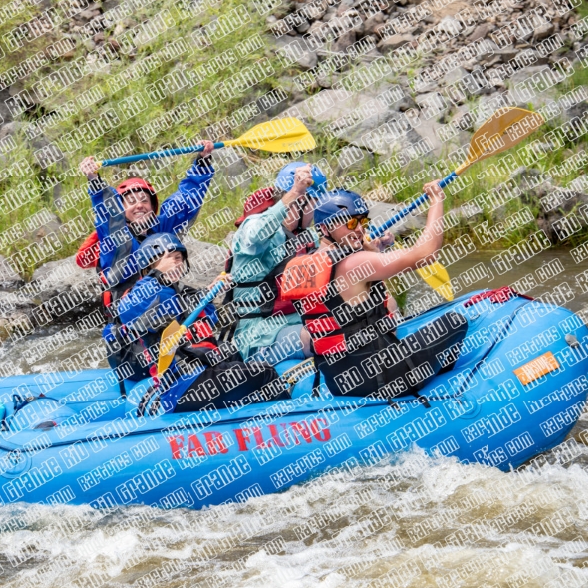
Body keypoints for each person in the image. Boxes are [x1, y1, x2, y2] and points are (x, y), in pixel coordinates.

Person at [278, 186, 469, 403]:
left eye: (363, 221)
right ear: (325, 228)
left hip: (340, 384)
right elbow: (426, 254)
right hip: (386, 380)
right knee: (455, 321)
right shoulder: (355, 262)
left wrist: (371, 252)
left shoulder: (303, 266)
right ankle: (446, 391)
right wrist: (436, 198)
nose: (359, 229)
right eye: (351, 223)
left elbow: (315, 334)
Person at [77, 141, 217, 378]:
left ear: (153, 206)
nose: (139, 205)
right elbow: (107, 214)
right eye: (130, 202)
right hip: (132, 335)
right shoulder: (115, 239)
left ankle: (202, 360)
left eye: (144, 200)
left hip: (165, 322)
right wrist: (94, 181)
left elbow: (184, 202)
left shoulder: (162, 229)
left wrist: (202, 162)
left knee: (198, 301)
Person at [116, 233, 286, 413]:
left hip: (202, 376)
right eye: (170, 257)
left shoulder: (184, 294)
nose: (177, 262)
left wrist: (210, 292)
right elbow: (127, 311)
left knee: (234, 355)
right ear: (150, 263)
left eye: (179, 258)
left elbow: (208, 320)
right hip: (183, 384)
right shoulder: (146, 292)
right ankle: (291, 425)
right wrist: (157, 277)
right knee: (266, 374)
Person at [228, 162, 327, 365]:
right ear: (300, 201)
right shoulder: (254, 224)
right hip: (258, 335)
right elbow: (255, 237)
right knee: (321, 336)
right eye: (315, 203)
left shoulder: (308, 237)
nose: (318, 212)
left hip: (297, 321)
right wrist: (293, 193)